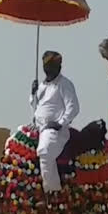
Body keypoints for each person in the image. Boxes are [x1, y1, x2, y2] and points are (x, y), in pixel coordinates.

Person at [28, 50, 80, 194]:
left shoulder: (64, 84)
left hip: (54, 130)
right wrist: (33, 93)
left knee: (45, 152)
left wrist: (60, 123)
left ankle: (52, 191)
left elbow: (73, 107)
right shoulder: (42, 85)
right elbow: (35, 106)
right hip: (36, 126)